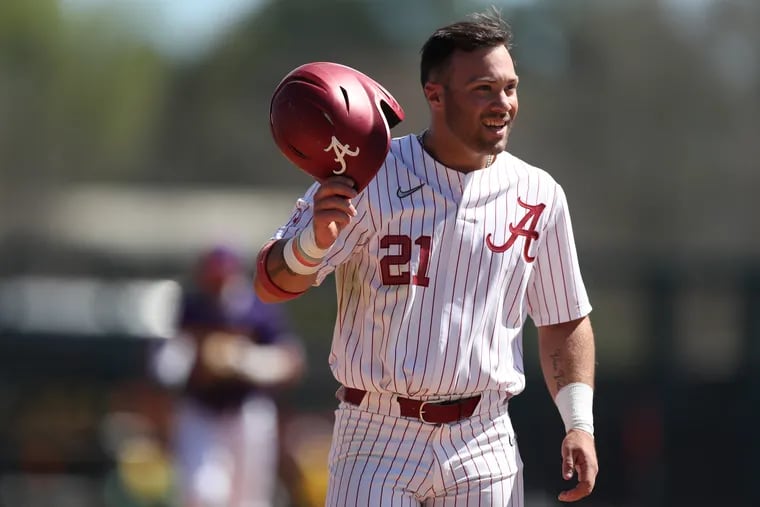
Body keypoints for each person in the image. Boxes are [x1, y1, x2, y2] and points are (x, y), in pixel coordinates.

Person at [254, 10, 598, 506]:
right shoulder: (369, 172)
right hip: (377, 433)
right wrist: (311, 243)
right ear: (435, 96)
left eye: (510, 87)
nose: (503, 103)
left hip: (484, 436)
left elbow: (564, 319)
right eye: (483, 88)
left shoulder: (538, 194)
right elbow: (269, 282)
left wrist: (579, 424)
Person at [152, 246, 305, 507]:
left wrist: (242, 359)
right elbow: (164, 365)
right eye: (212, 277)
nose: (217, 284)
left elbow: (291, 360)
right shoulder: (190, 307)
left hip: (247, 412)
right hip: (201, 411)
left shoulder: (259, 307)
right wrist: (197, 356)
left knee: (250, 499)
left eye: (222, 277)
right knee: (202, 493)